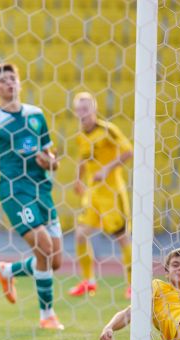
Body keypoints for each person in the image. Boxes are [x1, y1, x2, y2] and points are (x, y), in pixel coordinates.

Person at [0, 63, 64, 330]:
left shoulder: (36, 116)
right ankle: (47, 315)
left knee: (55, 261)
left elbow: (53, 160)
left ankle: (8, 270)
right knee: (45, 249)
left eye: (13, 78)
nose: (9, 83)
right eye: (3, 81)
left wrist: (49, 162)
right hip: (15, 193)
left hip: (42, 192)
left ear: (19, 83)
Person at [69, 92, 133, 299]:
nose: (83, 113)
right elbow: (82, 159)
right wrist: (78, 179)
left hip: (112, 193)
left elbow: (128, 151)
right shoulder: (81, 136)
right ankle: (88, 282)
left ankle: (133, 285)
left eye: (86, 109)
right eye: (79, 110)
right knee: (80, 235)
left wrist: (107, 169)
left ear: (94, 110)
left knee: (123, 238)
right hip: (93, 194)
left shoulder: (108, 130)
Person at [100, 248, 180, 340]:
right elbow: (132, 310)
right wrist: (109, 327)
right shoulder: (158, 286)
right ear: (166, 272)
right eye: (175, 265)